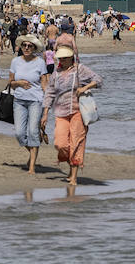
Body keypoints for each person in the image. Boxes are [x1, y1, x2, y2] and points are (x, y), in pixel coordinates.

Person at [39, 45, 103, 187]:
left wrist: (85, 87)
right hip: (60, 113)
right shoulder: (56, 72)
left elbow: (98, 79)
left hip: (78, 112)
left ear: (70, 58)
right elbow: (50, 92)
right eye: (59, 58)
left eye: (63, 58)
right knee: (60, 144)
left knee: (76, 142)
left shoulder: (80, 69)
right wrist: (45, 113)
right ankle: (71, 165)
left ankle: (73, 176)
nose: (61, 61)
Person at [8, 36, 48, 173]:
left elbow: (44, 84)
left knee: (32, 132)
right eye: (24, 45)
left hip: (36, 101)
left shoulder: (40, 63)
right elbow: (11, 83)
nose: (26, 48)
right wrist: (18, 83)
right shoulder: (15, 62)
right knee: (19, 134)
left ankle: (31, 167)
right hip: (19, 101)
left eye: (29, 46)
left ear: (34, 48)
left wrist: (48, 106)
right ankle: (34, 148)